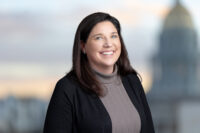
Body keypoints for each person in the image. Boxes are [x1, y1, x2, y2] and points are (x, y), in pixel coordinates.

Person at [43, 12, 155, 133]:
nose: (108, 44)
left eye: (113, 36)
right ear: (83, 46)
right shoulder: (67, 89)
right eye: (99, 38)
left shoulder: (132, 81)